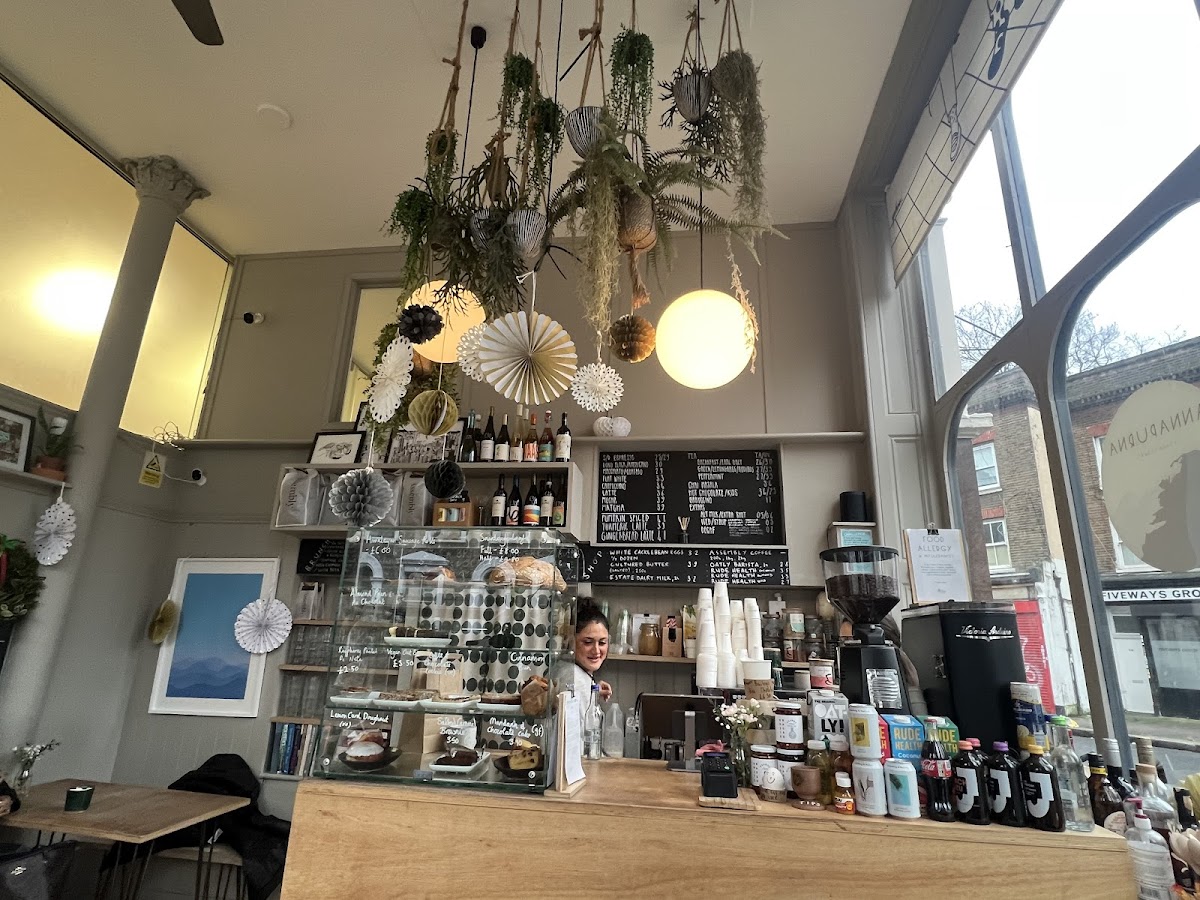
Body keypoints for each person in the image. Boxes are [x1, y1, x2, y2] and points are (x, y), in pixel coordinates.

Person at [570, 599, 612, 703]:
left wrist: (594, 689)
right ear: (571, 641)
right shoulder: (573, 678)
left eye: (602, 643)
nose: (596, 650)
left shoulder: (580, 677)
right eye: (588, 642)